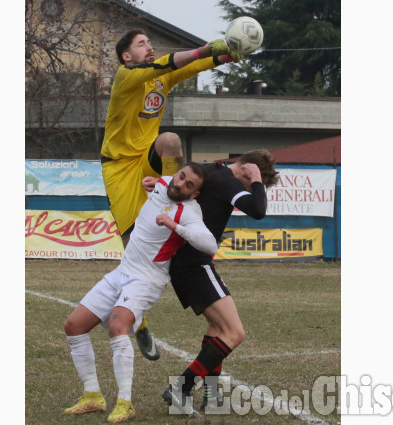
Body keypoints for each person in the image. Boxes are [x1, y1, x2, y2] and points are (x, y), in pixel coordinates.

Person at [101, 28, 243, 361]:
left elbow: (191, 67)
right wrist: (205, 48)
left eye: (150, 43)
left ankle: (179, 197)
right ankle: (140, 323)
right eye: (141, 44)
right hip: (120, 166)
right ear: (126, 56)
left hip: (148, 157)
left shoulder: (160, 79)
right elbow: (175, 61)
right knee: (133, 245)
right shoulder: (126, 75)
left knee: (170, 140)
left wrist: (227, 54)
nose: (148, 47)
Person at [63, 163, 218, 424]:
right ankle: (92, 396)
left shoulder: (189, 212)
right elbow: (158, 182)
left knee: (117, 326)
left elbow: (210, 244)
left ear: (195, 195)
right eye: (181, 177)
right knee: (73, 326)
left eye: (189, 185)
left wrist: (174, 226)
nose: (180, 184)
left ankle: (125, 403)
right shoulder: (164, 182)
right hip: (121, 272)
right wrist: (152, 182)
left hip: (147, 279)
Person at [143, 150, 279, 416]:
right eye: (250, 180)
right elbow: (258, 210)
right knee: (234, 333)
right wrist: (256, 182)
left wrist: (160, 181)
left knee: (218, 327)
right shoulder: (229, 179)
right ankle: (181, 388)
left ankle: (212, 396)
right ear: (247, 169)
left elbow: (184, 177)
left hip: (187, 262)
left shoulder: (212, 169)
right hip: (194, 264)